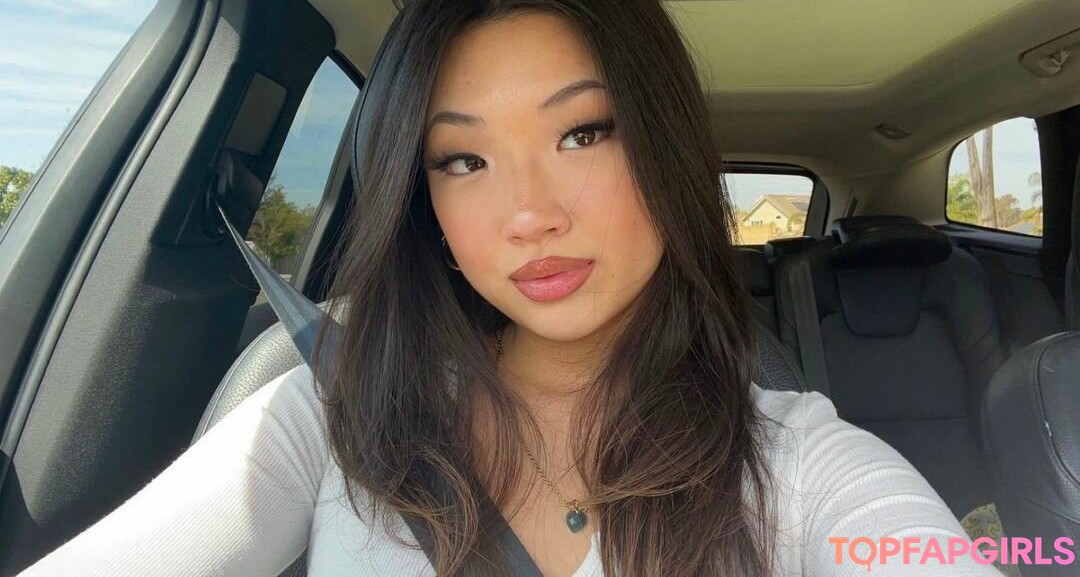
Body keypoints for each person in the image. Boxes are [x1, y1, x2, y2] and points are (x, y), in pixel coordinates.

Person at [18, 0, 1006, 575]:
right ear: (425, 205)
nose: (528, 213)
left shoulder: (796, 463)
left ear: (665, 149)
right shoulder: (333, 409)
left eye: (582, 133)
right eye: (463, 159)